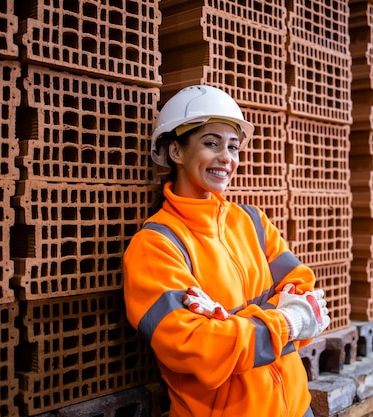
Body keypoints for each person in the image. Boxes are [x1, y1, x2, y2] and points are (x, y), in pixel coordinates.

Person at [123, 85, 331, 417]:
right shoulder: (156, 246)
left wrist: (231, 322)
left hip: (297, 408)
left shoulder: (253, 223)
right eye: (211, 143)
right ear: (175, 151)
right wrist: (286, 323)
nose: (227, 158)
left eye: (233, 147)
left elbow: (308, 300)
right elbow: (199, 348)